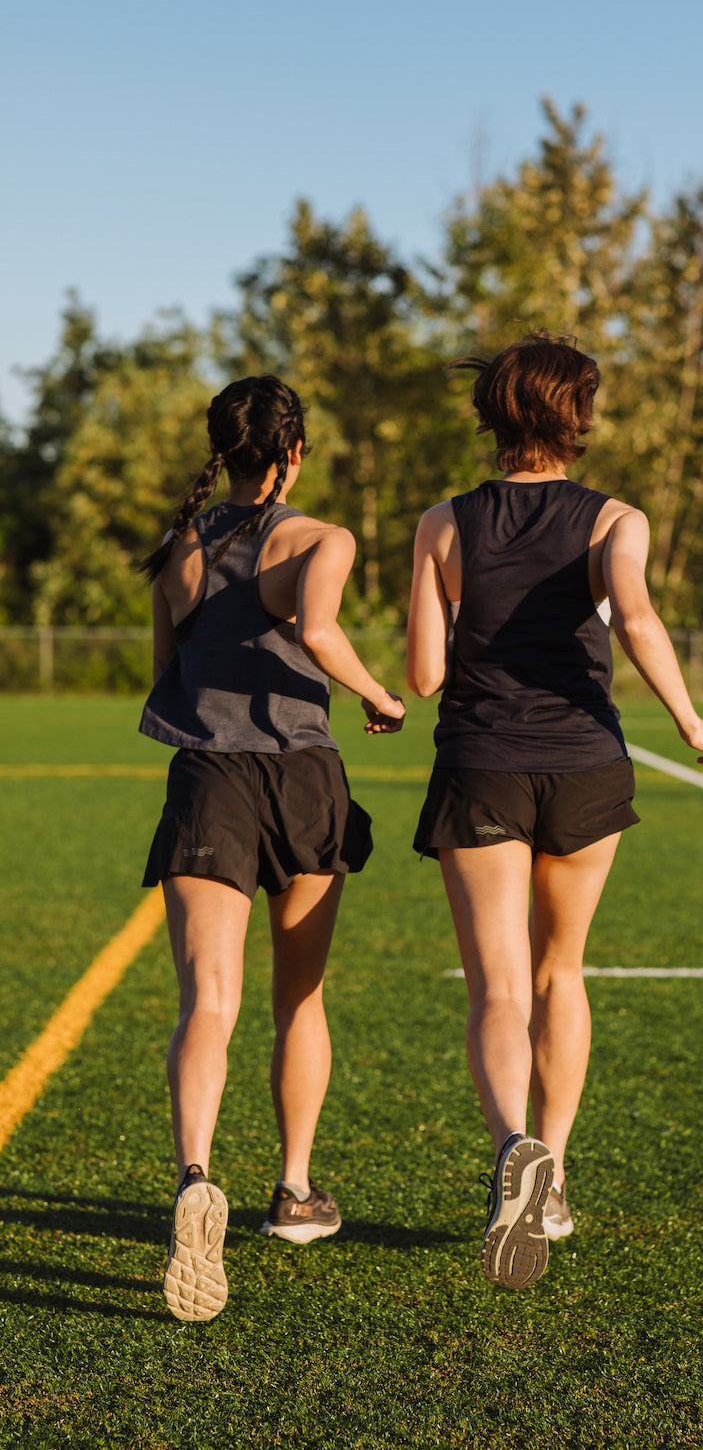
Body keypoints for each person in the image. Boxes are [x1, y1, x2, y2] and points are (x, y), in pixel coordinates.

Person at [407, 333, 703, 1291]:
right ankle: (551, 1174)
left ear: (492, 416)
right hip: (587, 762)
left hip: (481, 764)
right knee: (562, 972)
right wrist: (691, 718)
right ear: (576, 414)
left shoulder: (442, 522)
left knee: (497, 986)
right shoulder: (614, 520)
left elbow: (425, 676)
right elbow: (634, 618)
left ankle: (512, 1146)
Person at [138, 374, 405, 1323]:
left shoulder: (182, 545)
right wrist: (378, 695)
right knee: (301, 995)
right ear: (295, 453)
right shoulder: (322, 539)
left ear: (223, 448)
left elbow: (167, 666)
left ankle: (194, 1178)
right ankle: (293, 1192)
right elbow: (321, 629)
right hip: (300, 776)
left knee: (207, 998)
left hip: (207, 778)